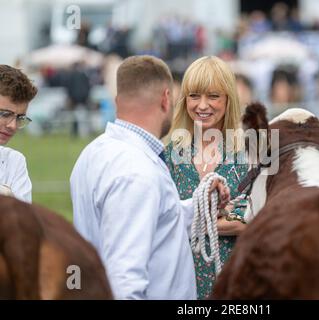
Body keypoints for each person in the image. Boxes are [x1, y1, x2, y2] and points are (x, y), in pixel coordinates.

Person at [70, 55, 230, 300]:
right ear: (166, 99)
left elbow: (159, 218)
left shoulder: (94, 152)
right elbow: (125, 281)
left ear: (117, 101)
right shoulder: (137, 172)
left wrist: (201, 202)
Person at [165, 55, 248, 299]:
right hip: (180, 282)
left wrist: (188, 216)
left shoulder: (249, 153)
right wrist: (225, 215)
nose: (202, 105)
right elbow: (161, 217)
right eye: (194, 96)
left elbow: (255, 219)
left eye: (213, 96)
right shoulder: (168, 156)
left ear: (228, 99)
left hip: (237, 282)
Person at [0, 64, 36, 203]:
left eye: (20, 118)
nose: (12, 125)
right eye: (4, 114)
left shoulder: (14, 162)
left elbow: (22, 222)